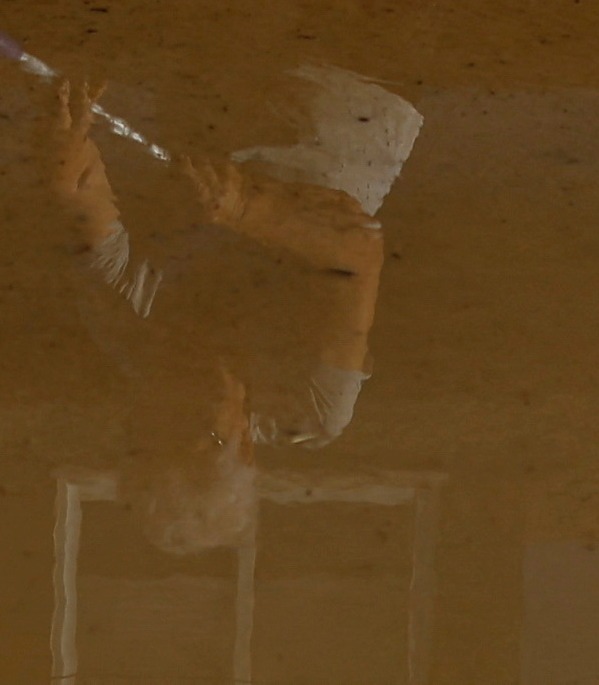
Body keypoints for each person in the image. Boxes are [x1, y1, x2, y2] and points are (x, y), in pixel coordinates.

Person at [40, 63, 425, 561]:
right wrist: (243, 206)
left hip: (215, 83)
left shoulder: (129, 327)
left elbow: (80, 200)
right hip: (355, 96)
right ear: (245, 448)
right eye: (206, 434)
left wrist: (63, 152)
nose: (186, 407)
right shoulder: (307, 409)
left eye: (160, 428)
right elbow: (357, 251)